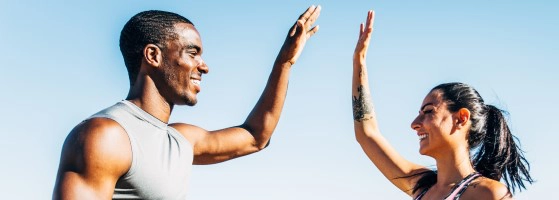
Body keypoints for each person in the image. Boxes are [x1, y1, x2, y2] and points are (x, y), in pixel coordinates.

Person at [53, 6, 321, 199]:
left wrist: (284, 63)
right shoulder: (104, 137)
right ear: (153, 56)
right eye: (192, 53)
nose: (204, 66)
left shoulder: (180, 140)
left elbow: (255, 136)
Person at [351, 11, 532, 200]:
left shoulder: (489, 193)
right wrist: (359, 63)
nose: (415, 123)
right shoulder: (422, 187)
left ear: (461, 118)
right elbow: (367, 134)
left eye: (428, 111)